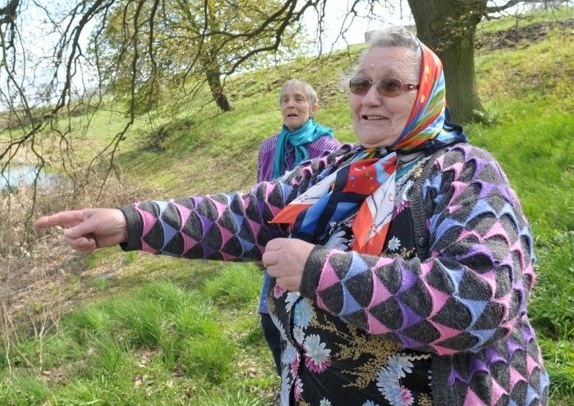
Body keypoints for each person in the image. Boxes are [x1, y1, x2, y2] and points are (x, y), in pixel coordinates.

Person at [35, 26, 549, 406]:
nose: (369, 98)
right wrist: (131, 223)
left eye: (391, 86)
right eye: (359, 84)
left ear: (427, 96)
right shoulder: (335, 168)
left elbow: (483, 297)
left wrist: (319, 271)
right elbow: (243, 215)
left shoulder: (465, 171)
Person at [256, 79, 341, 381]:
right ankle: (287, 384)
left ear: (314, 107)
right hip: (276, 245)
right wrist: (258, 243)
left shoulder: (330, 148)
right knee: (270, 321)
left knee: (313, 326)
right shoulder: (268, 148)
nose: (291, 105)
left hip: (313, 249)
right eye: (285, 100)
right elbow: (260, 197)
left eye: (299, 99)